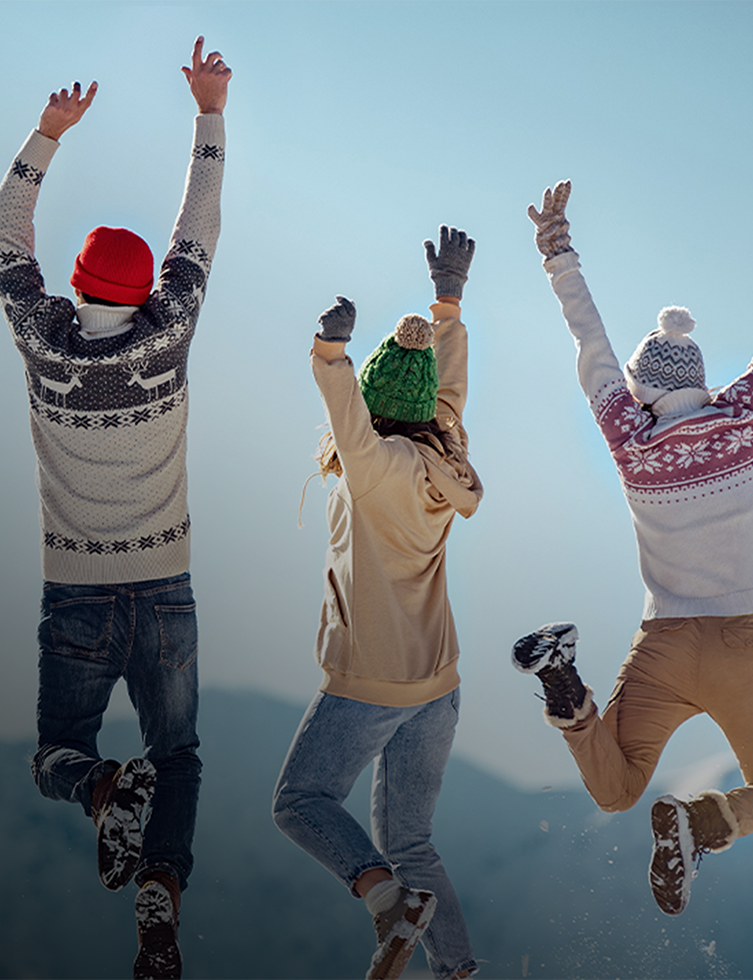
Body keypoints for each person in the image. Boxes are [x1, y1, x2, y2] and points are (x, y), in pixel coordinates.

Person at [508, 161, 753, 915]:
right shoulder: (743, 415)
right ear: (701, 382)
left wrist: (557, 249)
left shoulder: (628, 437)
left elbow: (592, 347)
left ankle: (563, 683)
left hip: (666, 643)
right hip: (743, 643)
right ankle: (704, 821)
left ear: (643, 391)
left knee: (614, 789)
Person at [0, 36, 229, 980]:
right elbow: (198, 229)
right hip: (166, 585)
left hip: (76, 593)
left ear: (78, 286)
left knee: (55, 755)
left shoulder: (45, 343)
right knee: (184, 755)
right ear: (143, 293)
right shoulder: (166, 339)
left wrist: (48, 134)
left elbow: (5, 236)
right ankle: (160, 885)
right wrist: (209, 112)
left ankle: (99, 788)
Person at [271, 227, 486, 980]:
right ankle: (455, 971)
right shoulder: (443, 452)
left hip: (371, 682)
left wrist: (330, 354)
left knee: (299, 802)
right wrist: (448, 304)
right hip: (438, 685)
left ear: (369, 399)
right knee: (413, 840)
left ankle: (387, 901)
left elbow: (346, 421)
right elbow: (445, 393)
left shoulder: (373, 467)